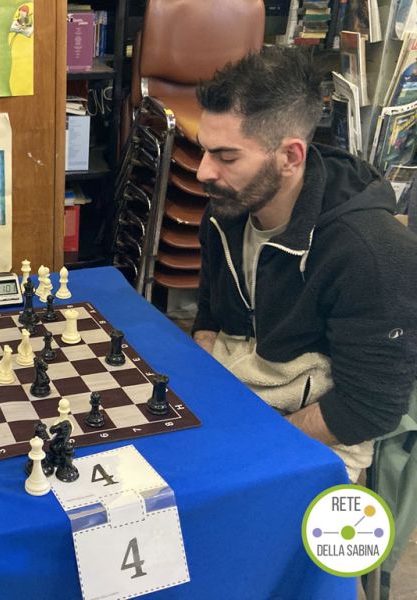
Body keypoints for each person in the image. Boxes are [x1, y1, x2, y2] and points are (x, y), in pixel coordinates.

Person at [191, 46, 417, 481]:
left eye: (226, 156)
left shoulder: (373, 254)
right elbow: (209, 311)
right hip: (235, 391)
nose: (203, 172)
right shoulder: (227, 207)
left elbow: (368, 408)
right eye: (203, 150)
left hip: (318, 434)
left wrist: (256, 441)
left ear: (291, 157)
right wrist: (203, 383)